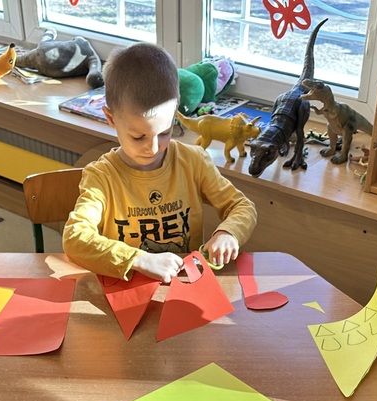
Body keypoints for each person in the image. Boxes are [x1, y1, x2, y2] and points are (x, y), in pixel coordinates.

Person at [62, 43, 257, 283]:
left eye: (165, 132)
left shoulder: (193, 161)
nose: (153, 148)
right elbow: (74, 239)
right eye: (138, 137)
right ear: (111, 118)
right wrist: (138, 259)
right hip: (127, 288)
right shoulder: (101, 177)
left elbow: (242, 207)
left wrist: (228, 232)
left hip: (183, 284)